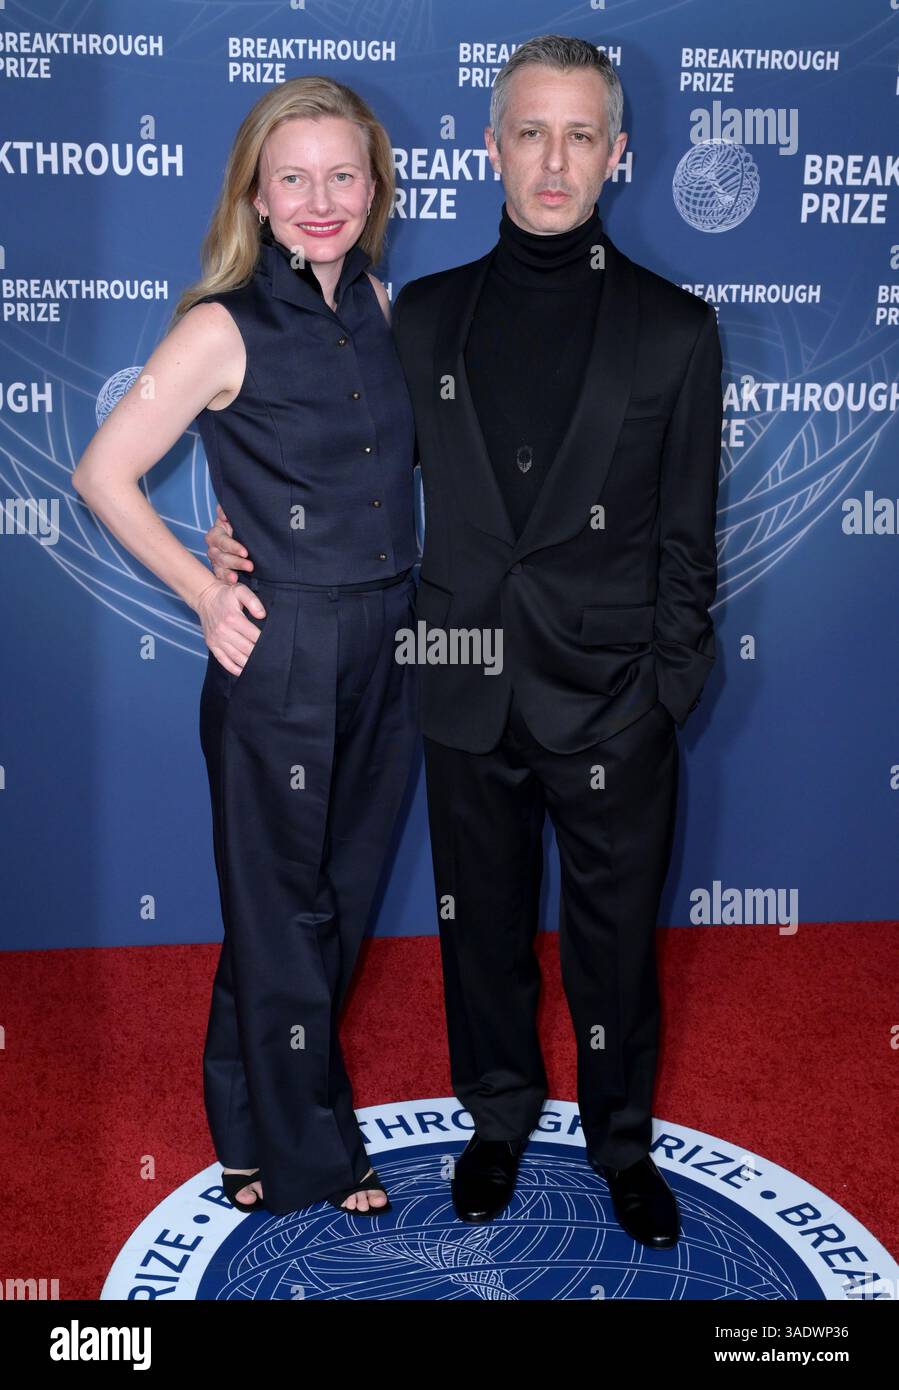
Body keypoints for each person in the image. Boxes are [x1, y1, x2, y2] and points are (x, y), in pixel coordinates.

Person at [207, 35, 723, 1248]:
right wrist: (231, 540)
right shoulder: (417, 316)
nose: (553, 160)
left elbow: (689, 541)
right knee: (477, 927)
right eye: (529, 132)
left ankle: (618, 1138)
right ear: (489, 147)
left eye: (580, 134)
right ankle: (494, 1120)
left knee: (612, 943)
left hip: (613, 700)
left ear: (618, 152)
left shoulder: (675, 328)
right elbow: (324, 450)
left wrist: (666, 689)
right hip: (457, 682)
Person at [72, 76, 419, 1216]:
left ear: (372, 187)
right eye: (292, 180)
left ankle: (241, 1118)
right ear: (257, 200)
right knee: (284, 910)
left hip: (387, 640)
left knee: (339, 896)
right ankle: (316, 1151)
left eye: (340, 174)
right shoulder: (222, 323)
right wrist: (198, 587)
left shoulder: (378, 298)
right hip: (282, 654)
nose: (318, 198)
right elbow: (102, 474)